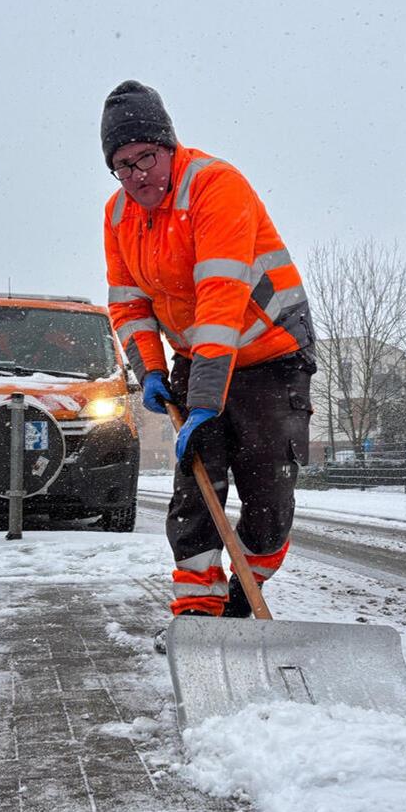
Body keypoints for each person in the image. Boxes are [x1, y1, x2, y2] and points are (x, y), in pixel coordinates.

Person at [100, 80, 316, 624]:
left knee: (268, 498)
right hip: (199, 358)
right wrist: (150, 369)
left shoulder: (217, 186)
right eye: (121, 166)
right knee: (197, 487)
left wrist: (203, 402)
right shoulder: (118, 215)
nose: (136, 175)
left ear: (169, 146)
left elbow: (221, 297)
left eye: (145, 157)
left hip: (270, 354)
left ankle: (246, 598)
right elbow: (128, 304)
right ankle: (198, 612)